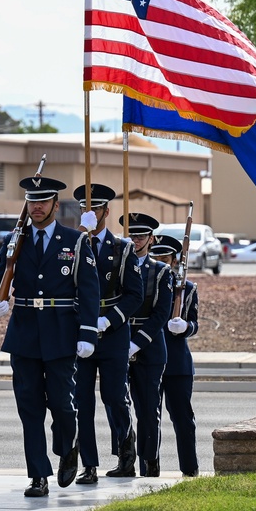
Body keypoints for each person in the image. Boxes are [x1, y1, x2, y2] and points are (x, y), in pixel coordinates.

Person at [0, 176, 101, 498]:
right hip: (24, 333)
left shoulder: (74, 242)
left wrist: (88, 332)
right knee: (30, 407)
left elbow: (89, 292)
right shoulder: (14, 241)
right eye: (31, 201)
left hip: (62, 332)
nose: (36, 206)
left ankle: (68, 445)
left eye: (43, 201)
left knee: (63, 404)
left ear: (54, 204)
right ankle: (38, 475)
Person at [71, 183, 145, 484]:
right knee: (82, 401)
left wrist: (109, 320)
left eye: (95, 209)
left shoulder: (123, 248)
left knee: (114, 396)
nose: (90, 213)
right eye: (85, 210)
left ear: (106, 211)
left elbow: (134, 295)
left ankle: (126, 457)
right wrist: (80, 235)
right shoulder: (75, 243)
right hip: (83, 331)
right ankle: (88, 465)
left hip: (112, 333)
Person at [118, 211, 172, 477]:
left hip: (148, 347)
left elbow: (161, 314)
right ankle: (124, 461)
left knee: (148, 410)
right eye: (132, 234)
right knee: (118, 406)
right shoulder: (115, 266)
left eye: (141, 235)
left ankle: (149, 463)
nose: (136, 239)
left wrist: (136, 343)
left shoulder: (161, 271)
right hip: (118, 340)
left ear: (152, 239)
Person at [150, 234, 200, 477]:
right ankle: (149, 469)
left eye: (165, 257)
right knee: (149, 419)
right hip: (148, 360)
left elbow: (194, 324)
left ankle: (190, 470)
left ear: (175, 259)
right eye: (156, 256)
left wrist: (185, 327)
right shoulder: (143, 285)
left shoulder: (187, 288)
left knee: (182, 418)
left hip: (176, 362)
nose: (161, 261)